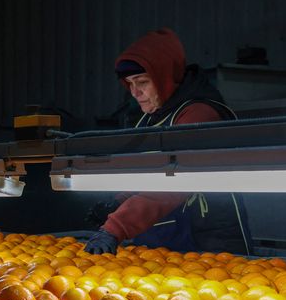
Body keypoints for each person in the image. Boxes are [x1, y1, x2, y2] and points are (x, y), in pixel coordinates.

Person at [84, 28, 252, 256]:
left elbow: (175, 182)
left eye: (142, 82)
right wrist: (118, 202)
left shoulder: (199, 114)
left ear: (164, 77)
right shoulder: (149, 118)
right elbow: (145, 172)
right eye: (129, 84)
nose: (135, 92)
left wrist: (116, 227)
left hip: (210, 240)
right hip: (168, 242)